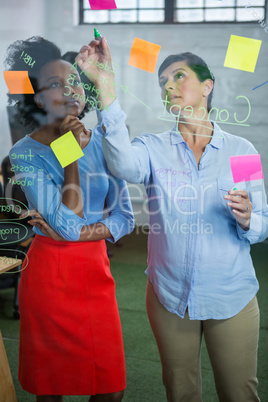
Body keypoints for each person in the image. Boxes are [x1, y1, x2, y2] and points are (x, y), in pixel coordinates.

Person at [63, 41, 267, 401]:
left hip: (231, 298)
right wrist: (106, 87)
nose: (168, 85)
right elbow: (123, 166)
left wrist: (250, 219)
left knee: (240, 393)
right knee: (179, 390)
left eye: (178, 77)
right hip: (170, 297)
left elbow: (262, 225)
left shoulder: (243, 152)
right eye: (163, 81)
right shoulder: (151, 148)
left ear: (207, 86)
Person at [5, 36, 134, 402]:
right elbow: (66, 220)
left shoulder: (106, 143)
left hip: (96, 271)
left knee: (111, 390)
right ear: (39, 98)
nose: (70, 89)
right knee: (51, 390)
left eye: (75, 81)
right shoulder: (24, 153)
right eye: (55, 84)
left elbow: (125, 214)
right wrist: (70, 152)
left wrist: (81, 233)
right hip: (50, 278)